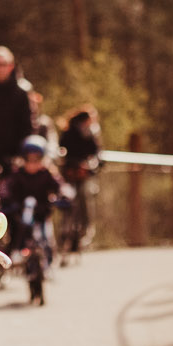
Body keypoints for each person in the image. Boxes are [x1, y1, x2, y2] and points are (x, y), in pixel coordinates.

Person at [0, 135, 62, 269]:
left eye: (37, 159)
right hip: (22, 213)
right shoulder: (17, 175)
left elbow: (60, 188)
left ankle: (49, 260)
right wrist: (7, 201)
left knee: (47, 236)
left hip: (42, 212)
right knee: (17, 232)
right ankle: (14, 253)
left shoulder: (48, 174)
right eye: (29, 159)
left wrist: (60, 198)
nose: (33, 164)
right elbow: (6, 189)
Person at [0, 45, 33, 171]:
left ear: (11, 66)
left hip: (16, 157)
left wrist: (22, 155)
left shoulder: (22, 91)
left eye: (3, 64)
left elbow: (28, 125)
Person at [59, 106, 102, 254]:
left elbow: (97, 155)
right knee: (67, 197)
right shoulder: (69, 132)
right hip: (70, 172)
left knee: (85, 194)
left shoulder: (92, 134)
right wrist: (70, 165)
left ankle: (87, 227)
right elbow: (62, 150)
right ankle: (65, 229)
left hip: (85, 174)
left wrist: (90, 167)